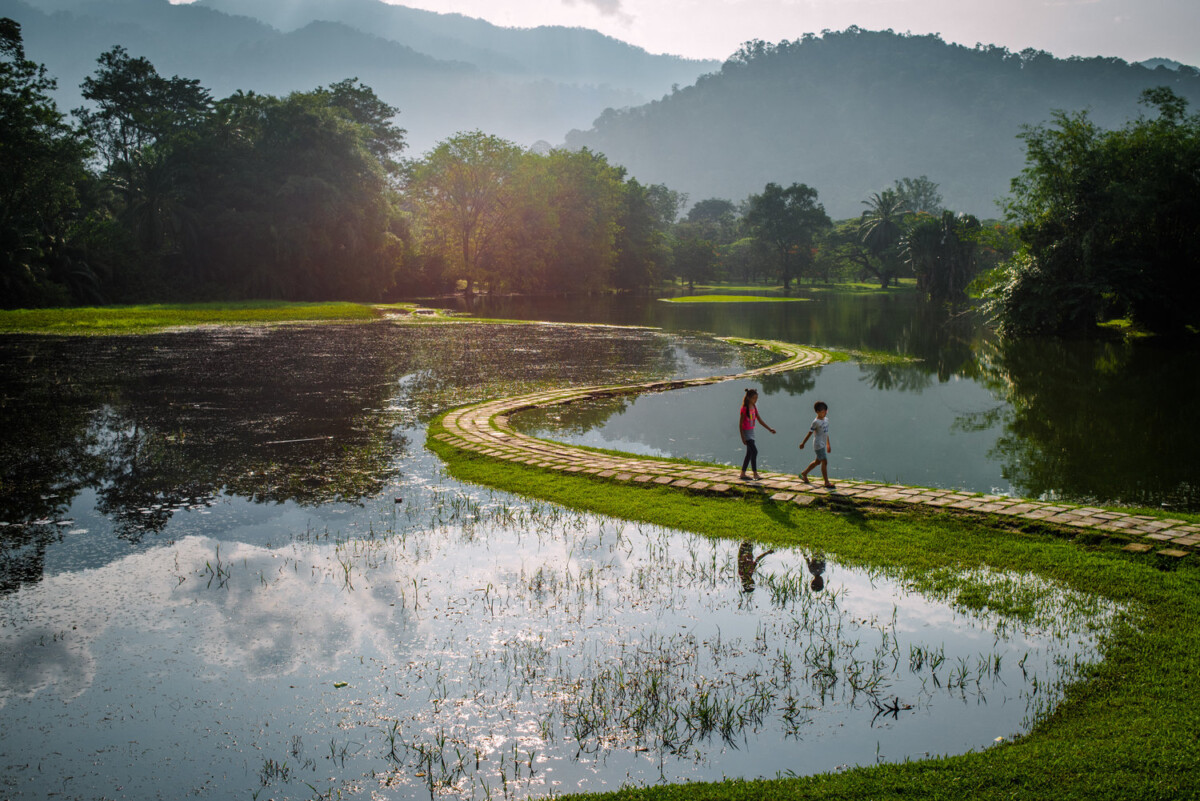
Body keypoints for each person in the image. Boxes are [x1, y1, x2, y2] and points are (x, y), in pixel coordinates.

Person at [739, 388, 775, 481]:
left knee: (749, 453)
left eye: (757, 398)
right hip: (746, 433)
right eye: (754, 398)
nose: (756, 400)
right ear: (749, 398)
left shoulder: (754, 407)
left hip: (752, 432)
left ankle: (742, 473)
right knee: (754, 451)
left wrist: (769, 429)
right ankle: (755, 474)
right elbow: (740, 424)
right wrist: (742, 437)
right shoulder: (744, 409)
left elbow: (759, 420)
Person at [798, 400, 834, 488]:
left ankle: (804, 473)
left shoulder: (826, 420)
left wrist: (828, 444)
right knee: (824, 462)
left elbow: (826, 433)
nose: (825, 413)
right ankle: (826, 482)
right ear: (817, 412)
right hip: (818, 445)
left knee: (818, 462)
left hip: (823, 444)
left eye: (826, 411)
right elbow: (809, 433)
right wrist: (803, 443)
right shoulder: (816, 422)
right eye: (823, 412)